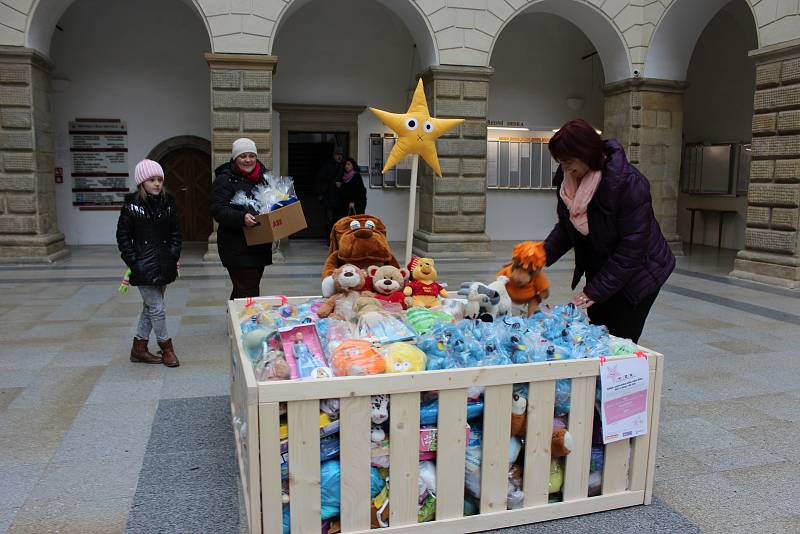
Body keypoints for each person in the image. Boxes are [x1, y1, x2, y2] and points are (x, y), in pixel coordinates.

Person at [543, 118, 676, 343]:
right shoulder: (568, 181)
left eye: (568, 161)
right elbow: (566, 229)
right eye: (560, 162)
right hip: (604, 263)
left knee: (619, 337)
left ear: (586, 153)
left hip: (640, 272)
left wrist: (593, 291)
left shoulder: (628, 183)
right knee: (597, 329)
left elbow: (632, 249)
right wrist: (538, 257)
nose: (565, 168)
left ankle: (621, 377)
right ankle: (599, 377)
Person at [116, 159, 181, 367]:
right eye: (152, 179)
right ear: (142, 182)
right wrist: (134, 262)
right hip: (143, 266)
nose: (157, 184)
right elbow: (123, 237)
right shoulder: (131, 207)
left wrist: (172, 254)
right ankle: (167, 348)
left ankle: (139, 348)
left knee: (150, 307)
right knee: (158, 308)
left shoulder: (168, 204)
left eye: (160, 179)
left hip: (164, 263)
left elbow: (175, 234)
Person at [211, 138, 272, 299]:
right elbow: (218, 209)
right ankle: (244, 321)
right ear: (235, 158)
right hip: (236, 245)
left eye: (251, 155)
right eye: (243, 156)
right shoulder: (225, 179)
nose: (248, 160)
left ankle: (234, 319)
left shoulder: (264, 178)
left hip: (260, 243)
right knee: (248, 289)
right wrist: (241, 217)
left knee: (245, 288)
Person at [315, 146, 344, 239]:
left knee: (338, 219)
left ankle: (336, 238)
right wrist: (320, 193)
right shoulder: (327, 166)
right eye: (337, 155)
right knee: (329, 219)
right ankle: (330, 239)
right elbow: (320, 180)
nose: (339, 157)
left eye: (341, 155)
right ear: (334, 155)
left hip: (339, 198)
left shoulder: (343, 166)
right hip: (329, 197)